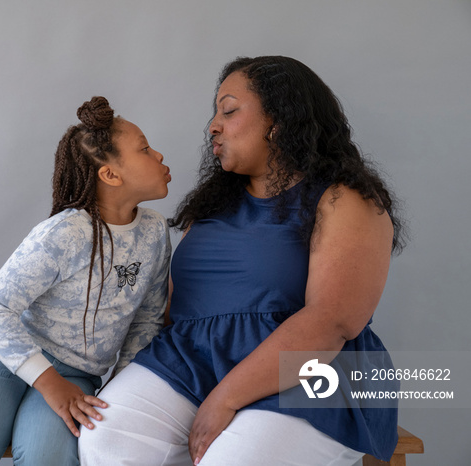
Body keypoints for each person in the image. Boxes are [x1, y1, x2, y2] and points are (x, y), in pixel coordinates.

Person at [78, 56, 405, 465]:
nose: (213, 125)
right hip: (191, 364)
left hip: (309, 373)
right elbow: (174, 309)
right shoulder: (213, 204)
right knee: (107, 438)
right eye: (215, 113)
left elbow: (333, 320)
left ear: (279, 120)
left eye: (229, 110)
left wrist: (225, 398)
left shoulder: (345, 200)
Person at [0, 96, 172, 466]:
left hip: (78, 377)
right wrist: (48, 382)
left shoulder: (154, 232)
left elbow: (147, 319)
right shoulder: (66, 232)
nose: (159, 155)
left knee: (47, 456)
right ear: (110, 174)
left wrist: (122, 390)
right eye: (144, 149)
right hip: (4, 362)